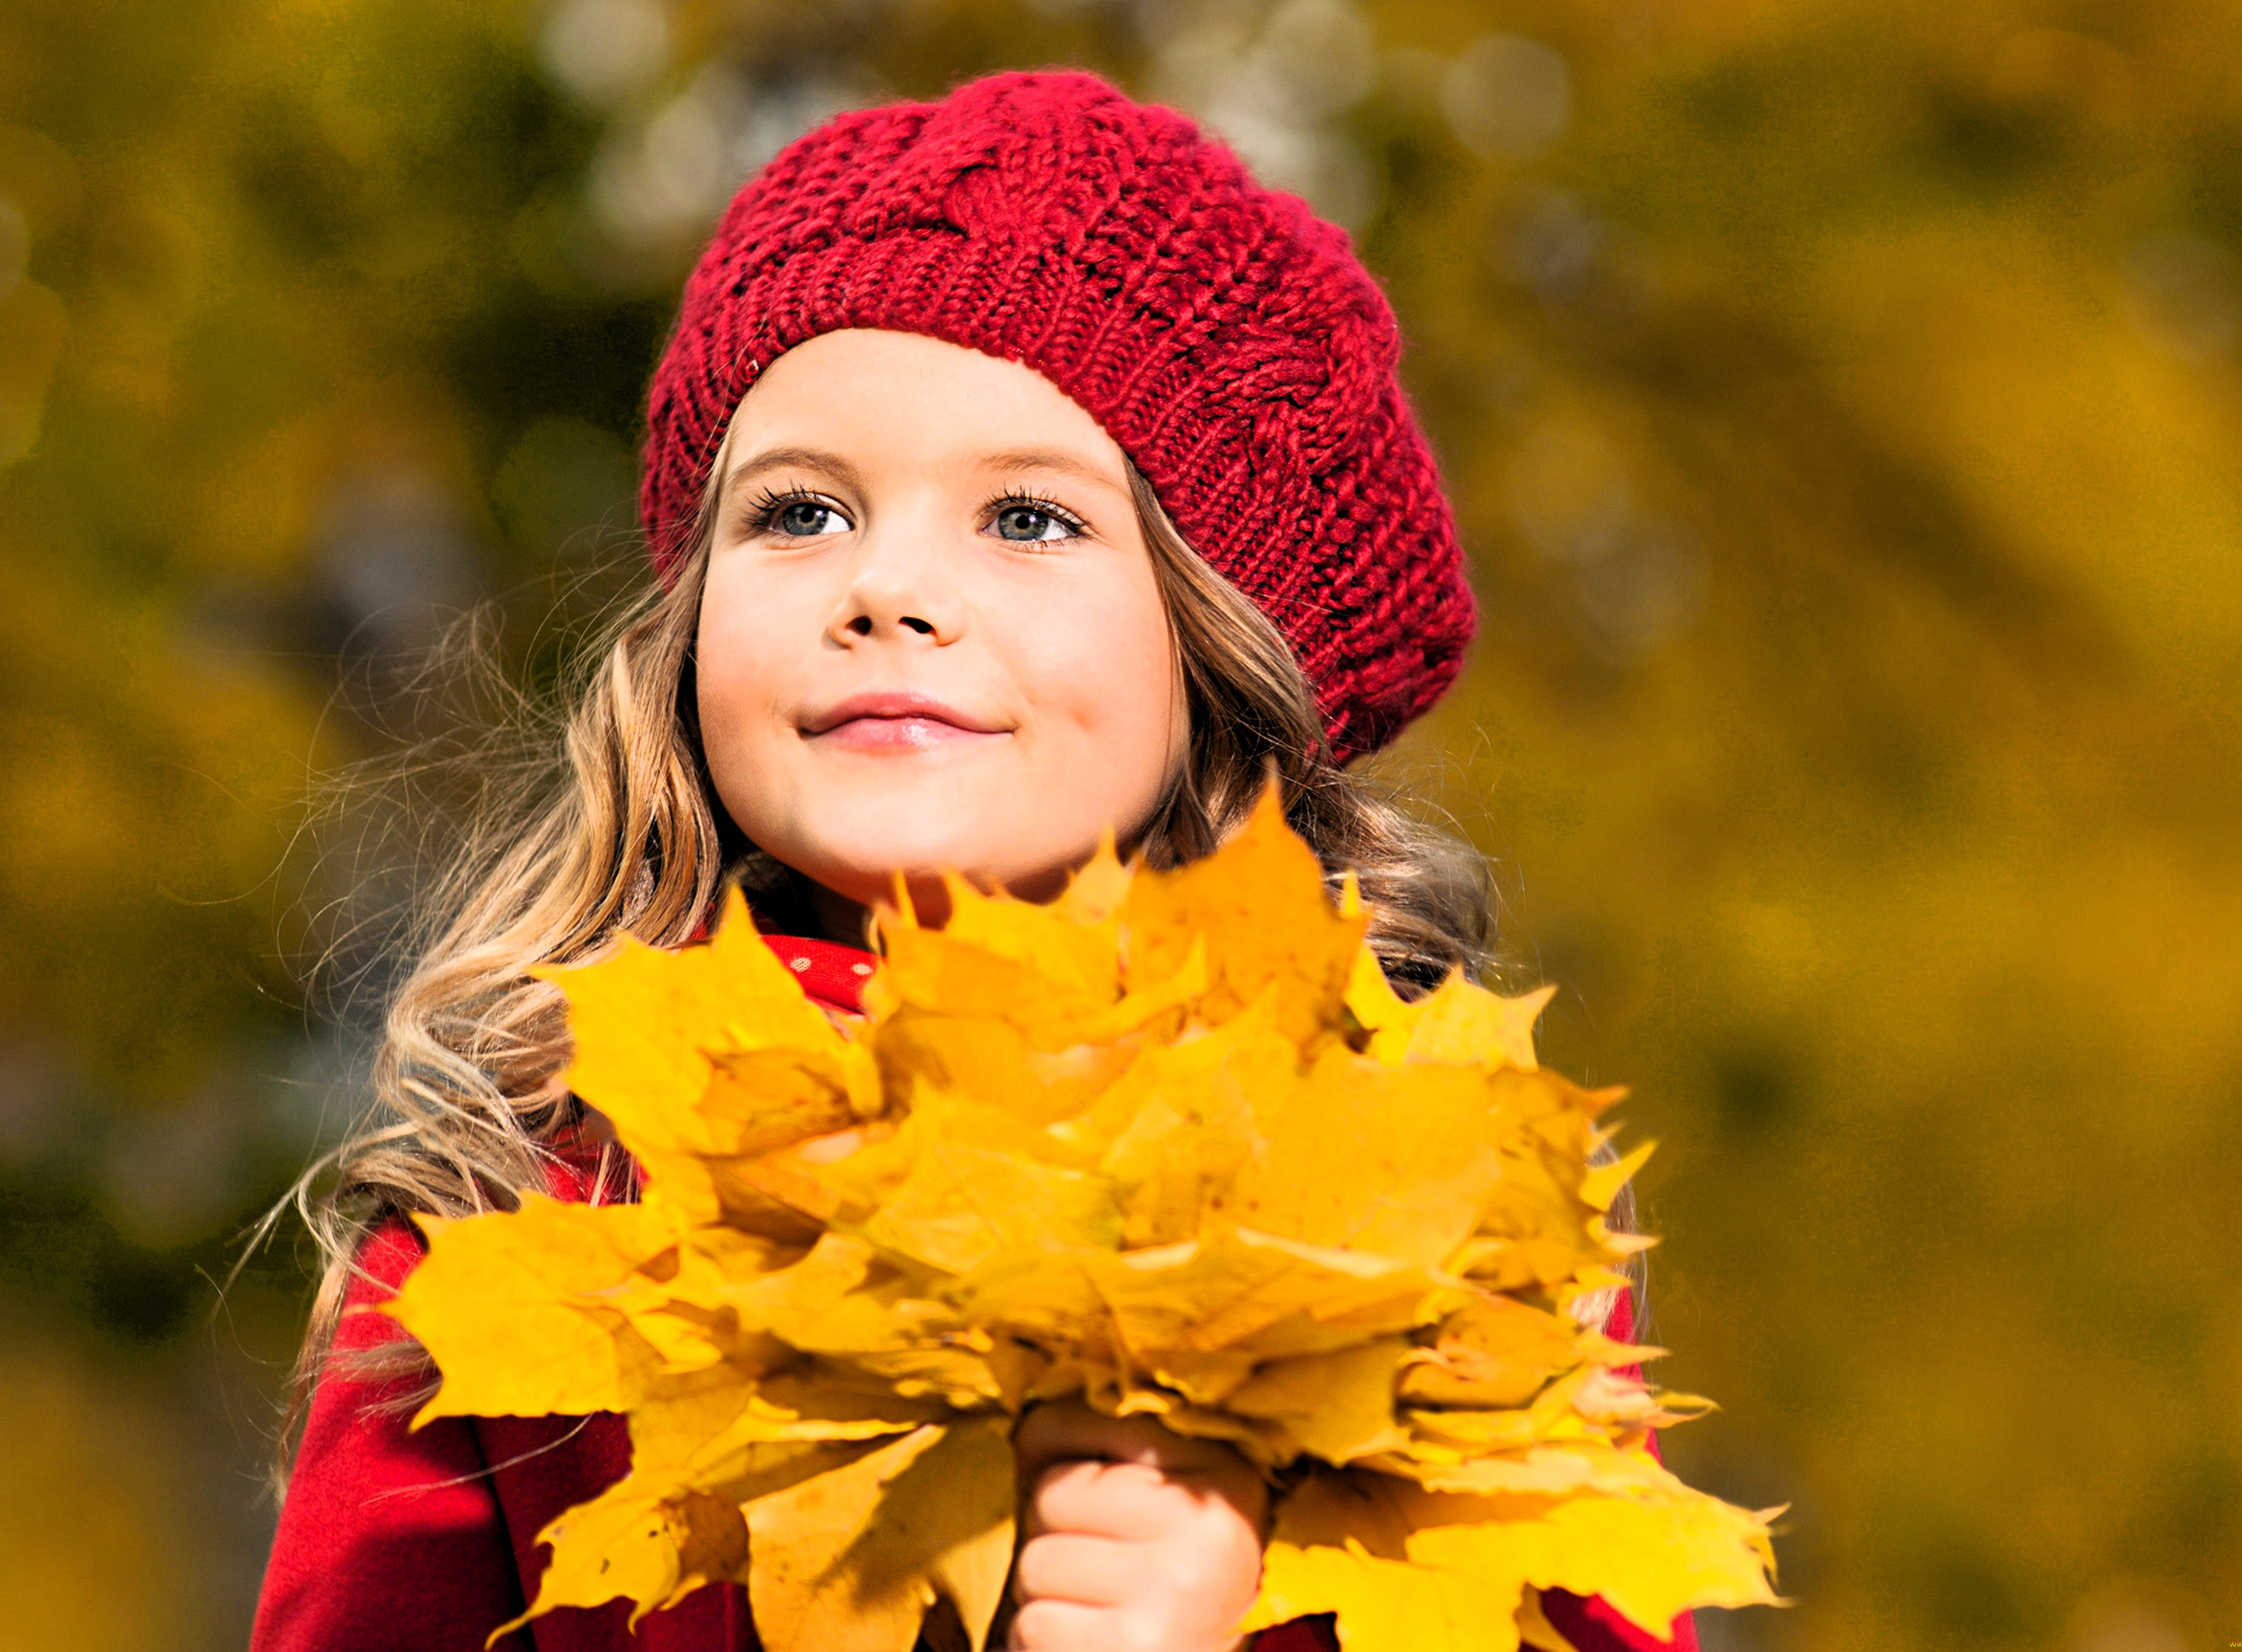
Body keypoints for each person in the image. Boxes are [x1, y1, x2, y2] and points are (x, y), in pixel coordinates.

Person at [251, 68, 1699, 1652]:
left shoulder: (1428, 1221)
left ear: (1219, 654)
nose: (884, 588)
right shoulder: (515, 1217)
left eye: (1026, 520)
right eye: (799, 513)